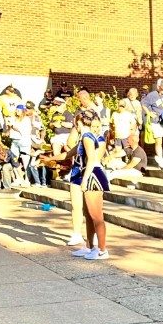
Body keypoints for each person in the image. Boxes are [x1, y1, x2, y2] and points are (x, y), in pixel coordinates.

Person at [66, 109, 109, 260]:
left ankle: (102, 250)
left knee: (97, 216)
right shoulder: (87, 136)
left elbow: (92, 159)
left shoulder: (87, 136)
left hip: (93, 175)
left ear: (80, 122)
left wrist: (84, 181)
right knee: (90, 216)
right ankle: (91, 247)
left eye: (75, 122)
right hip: (90, 174)